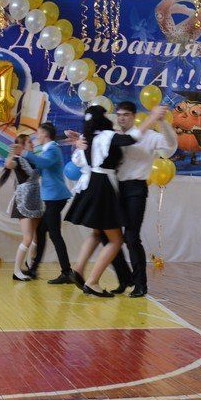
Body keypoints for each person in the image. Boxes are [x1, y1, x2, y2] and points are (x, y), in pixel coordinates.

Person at [65, 104, 165, 297]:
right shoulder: (106, 136)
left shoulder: (88, 138)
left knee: (98, 233)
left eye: (125, 115)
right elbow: (132, 139)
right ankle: (92, 282)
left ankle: (78, 270)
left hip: (92, 184)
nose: (118, 118)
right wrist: (152, 118)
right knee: (116, 240)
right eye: (116, 115)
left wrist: (79, 140)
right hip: (104, 187)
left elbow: (80, 160)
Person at [108, 100, 178, 297]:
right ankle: (124, 279)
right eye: (119, 115)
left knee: (131, 237)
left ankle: (140, 284)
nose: (122, 118)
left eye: (126, 115)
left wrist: (162, 122)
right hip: (115, 188)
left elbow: (170, 147)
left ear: (133, 116)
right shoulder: (115, 136)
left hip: (136, 189)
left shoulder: (148, 135)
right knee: (110, 237)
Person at [22, 123, 75, 284]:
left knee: (54, 235)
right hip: (52, 198)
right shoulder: (47, 150)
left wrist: (25, 153)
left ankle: (66, 272)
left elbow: (43, 163)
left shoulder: (52, 149)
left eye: (38, 133)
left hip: (56, 198)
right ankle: (34, 268)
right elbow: (39, 168)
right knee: (41, 231)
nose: (36, 136)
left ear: (45, 134)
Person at [0, 134, 43, 281]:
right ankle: (16, 271)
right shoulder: (18, 160)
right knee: (28, 237)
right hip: (23, 200)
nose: (32, 144)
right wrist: (12, 152)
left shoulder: (33, 159)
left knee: (36, 237)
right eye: (29, 142)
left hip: (35, 200)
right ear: (22, 145)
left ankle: (30, 267)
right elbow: (8, 165)